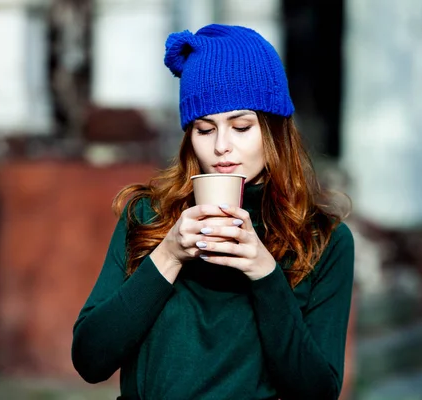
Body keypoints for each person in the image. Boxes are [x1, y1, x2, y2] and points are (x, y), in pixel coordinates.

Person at [71, 23, 355, 400]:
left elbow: (317, 392)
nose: (222, 146)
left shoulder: (323, 241)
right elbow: (91, 360)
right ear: (189, 138)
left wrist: (265, 273)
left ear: (273, 130)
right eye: (205, 130)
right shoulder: (149, 216)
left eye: (241, 127)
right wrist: (169, 256)